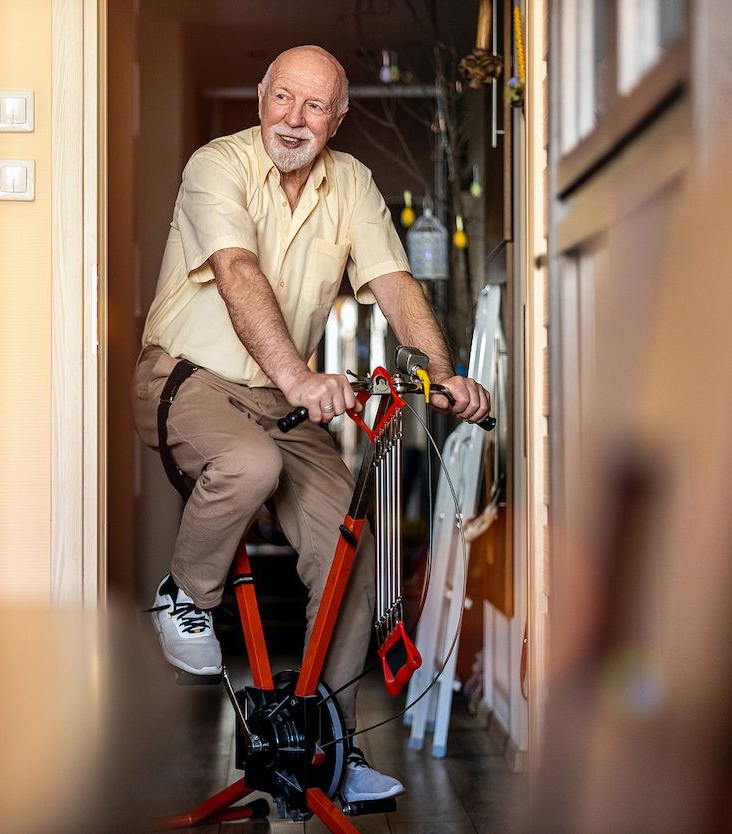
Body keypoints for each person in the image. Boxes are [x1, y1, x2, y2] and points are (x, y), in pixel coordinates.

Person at [133, 45, 491, 802]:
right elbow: (239, 273)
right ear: (262, 94)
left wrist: (440, 372)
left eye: (315, 106)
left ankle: (333, 750)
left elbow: (393, 283)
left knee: (353, 549)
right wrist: (300, 375)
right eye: (283, 98)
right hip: (186, 380)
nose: (294, 119)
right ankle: (183, 596)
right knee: (251, 464)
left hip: (280, 402)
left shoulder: (350, 182)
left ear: (338, 119)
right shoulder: (215, 165)